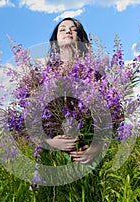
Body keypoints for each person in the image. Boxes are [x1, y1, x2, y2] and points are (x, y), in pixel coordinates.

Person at [42, 17, 104, 164]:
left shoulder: (94, 72)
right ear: (55, 41)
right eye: (62, 29)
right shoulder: (43, 77)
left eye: (73, 29)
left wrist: (96, 148)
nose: (68, 30)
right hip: (53, 161)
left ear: (81, 39)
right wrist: (49, 142)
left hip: (86, 158)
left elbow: (112, 117)